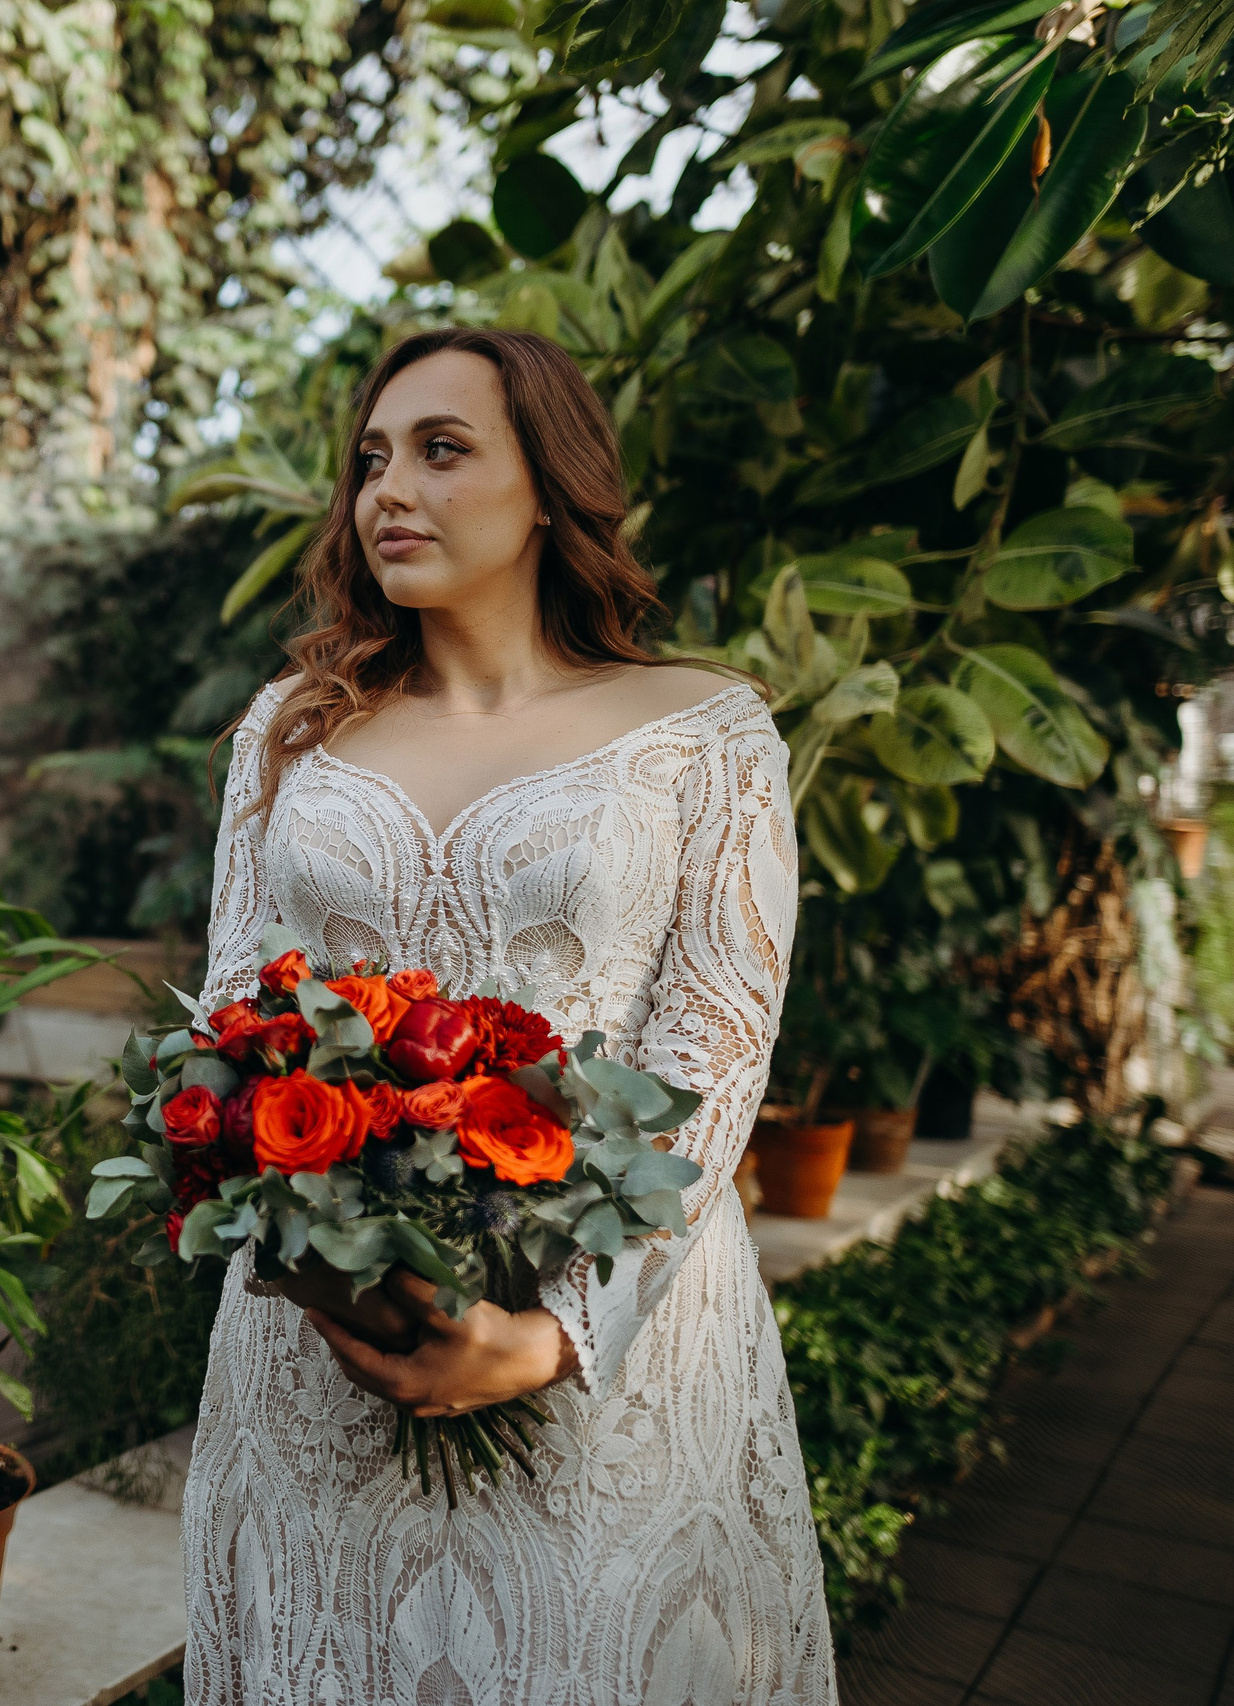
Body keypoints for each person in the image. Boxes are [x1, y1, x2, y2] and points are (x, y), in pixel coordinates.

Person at [182, 327, 837, 1704]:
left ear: (550, 483)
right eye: (371, 461)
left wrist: (554, 1334)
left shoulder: (703, 729)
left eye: (441, 449)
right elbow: (236, 1021)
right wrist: (318, 1262)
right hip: (324, 1354)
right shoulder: (291, 729)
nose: (387, 493)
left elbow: (711, 1056)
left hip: (609, 1356)